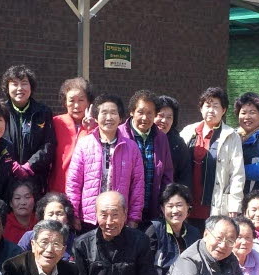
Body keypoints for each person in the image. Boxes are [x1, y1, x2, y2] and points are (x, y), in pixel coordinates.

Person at [66, 94, 145, 230]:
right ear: (96, 118)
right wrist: (74, 215)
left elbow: (138, 186)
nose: (108, 117)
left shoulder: (132, 148)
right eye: (104, 113)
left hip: (118, 218)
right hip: (89, 219)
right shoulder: (84, 144)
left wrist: (134, 218)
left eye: (113, 113)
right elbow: (74, 183)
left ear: (120, 118)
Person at [181, 87, 244, 225]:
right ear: (201, 108)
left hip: (215, 204)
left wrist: (234, 205)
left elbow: (237, 173)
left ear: (224, 110)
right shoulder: (188, 131)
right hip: (187, 201)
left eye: (216, 106)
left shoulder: (231, 136)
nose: (211, 110)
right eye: (207, 106)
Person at [121, 90, 174, 225]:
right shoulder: (120, 134)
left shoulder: (161, 137)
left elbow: (167, 174)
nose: (145, 118)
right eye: (140, 112)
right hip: (124, 208)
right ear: (132, 112)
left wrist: (165, 204)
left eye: (150, 113)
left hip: (152, 207)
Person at [1, 64, 56, 192]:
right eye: (14, 84)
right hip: (5, 177)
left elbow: (49, 144)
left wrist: (29, 165)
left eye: (24, 83)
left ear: (31, 87)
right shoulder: (0, 111)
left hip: (35, 177)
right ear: (7, 88)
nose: (20, 88)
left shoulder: (43, 112)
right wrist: (12, 164)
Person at [145, 183, 201, 275]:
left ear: (188, 206)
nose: (175, 211)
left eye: (179, 205)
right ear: (162, 209)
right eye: (170, 206)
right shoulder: (154, 230)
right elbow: (145, 267)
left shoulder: (194, 233)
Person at [49, 77, 94, 194]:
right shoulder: (55, 123)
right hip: (58, 187)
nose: (76, 105)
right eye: (71, 100)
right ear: (65, 102)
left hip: (86, 190)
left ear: (88, 102)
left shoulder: (97, 127)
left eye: (81, 100)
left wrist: (91, 129)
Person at [17, 192, 78, 261]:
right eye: (50, 214)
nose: (54, 218)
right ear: (43, 217)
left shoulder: (75, 241)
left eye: (59, 214)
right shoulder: (29, 237)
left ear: (67, 217)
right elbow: (19, 260)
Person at [155, 95, 190, 186]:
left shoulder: (178, 144)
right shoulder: (143, 139)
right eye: (160, 115)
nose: (164, 120)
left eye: (169, 117)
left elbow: (185, 176)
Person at [4, 178, 38, 244]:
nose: (23, 202)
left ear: (34, 200)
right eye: (17, 198)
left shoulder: (40, 221)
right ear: (10, 203)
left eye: (27, 197)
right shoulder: (3, 224)